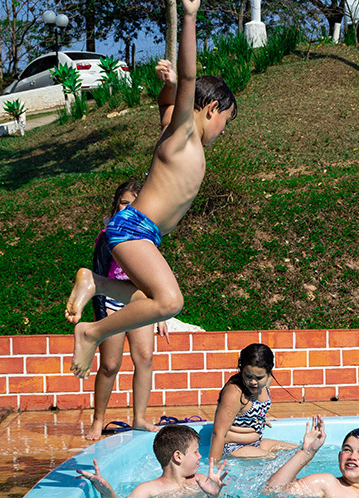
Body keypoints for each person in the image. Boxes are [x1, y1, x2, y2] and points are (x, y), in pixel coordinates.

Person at [64, 0, 238, 379]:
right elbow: (189, 83)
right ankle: (90, 332)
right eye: (226, 121)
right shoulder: (184, 134)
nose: (224, 130)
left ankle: (96, 282)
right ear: (210, 108)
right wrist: (189, 17)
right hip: (134, 229)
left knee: (148, 299)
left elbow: (167, 103)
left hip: (142, 232)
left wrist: (169, 88)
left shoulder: (171, 130)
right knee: (170, 301)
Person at [86, 181, 167, 441]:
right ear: (115, 205)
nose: (128, 207)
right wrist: (100, 316)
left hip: (139, 302)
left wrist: (162, 313)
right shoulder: (108, 235)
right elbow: (97, 275)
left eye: (135, 202)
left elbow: (156, 278)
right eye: (123, 202)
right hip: (110, 302)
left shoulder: (146, 237)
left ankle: (140, 418)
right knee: (110, 364)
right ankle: (98, 420)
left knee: (144, 358)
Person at [77, 424, 227, 498]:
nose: (200, 456)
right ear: (178, 456)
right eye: (196, 452)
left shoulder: (199, 481)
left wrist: (214, 496)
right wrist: (106, 491)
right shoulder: (148, 489)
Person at [263, 415, 359, 498]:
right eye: (347, 450)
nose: (352, 457)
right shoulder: (326, 483)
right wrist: (306, 453)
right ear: (339, 457)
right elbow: (272, 491)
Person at [208, 343, 298, 461]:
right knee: (276, 460)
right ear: (241, 370)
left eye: (259, 377)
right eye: (248, 376)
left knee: (300, 451)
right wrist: (214, 467)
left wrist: (260, 417)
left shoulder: (267, 381)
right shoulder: (235, 392)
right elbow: (218, 433)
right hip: (234, 447)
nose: (253, 382)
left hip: (256, 442)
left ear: (269, 372)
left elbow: (255, 407)